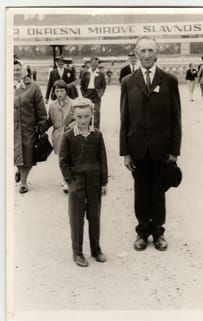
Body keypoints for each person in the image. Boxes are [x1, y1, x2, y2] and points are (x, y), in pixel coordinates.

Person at [120, 35, 182, 252]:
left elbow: (176, 118)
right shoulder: (128, 82)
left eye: (150, 50)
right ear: (137, 54)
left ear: (157, 53)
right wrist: (125, 152)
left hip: (161, 150)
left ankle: (158, 233)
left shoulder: (169, 80)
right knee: (141, 192)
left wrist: (174, 151)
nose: (147, 55)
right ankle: (142, 232)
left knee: (158, 191)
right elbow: (124, 118)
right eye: (143, 51)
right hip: (137, 149)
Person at [59, 97, 108, 267]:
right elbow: (63, 161)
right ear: (73, 115)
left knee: (94, 216)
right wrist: (70, 181)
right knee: (77, 218)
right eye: (79, 117)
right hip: (77, 182)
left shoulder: (97, 135)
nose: (83, 120)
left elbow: (103, 159)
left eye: (86, 116)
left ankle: (96, 249)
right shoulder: (68, 137)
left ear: (91, 115)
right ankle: (77, 253)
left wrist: (103, 182)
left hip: (94, 181)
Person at [14, 58, 47, 193]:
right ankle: (19, 169)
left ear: (24, 71)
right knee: (16, 153)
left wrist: (42, 124)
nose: (15, 72)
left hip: (28, 127)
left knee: (28, 154)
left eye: (18, 70)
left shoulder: (33, 87)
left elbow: (40, 108)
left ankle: (23, 182)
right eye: (13, 70)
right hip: (11, 128)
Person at [45, 80, 75, 193]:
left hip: (69, 134)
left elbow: (76, 119)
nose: (59, 93)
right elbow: (50, 120)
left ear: (66, 91)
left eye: (62, 90)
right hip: (57, 136)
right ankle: (65, 178)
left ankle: (68, 180)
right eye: (57, 91)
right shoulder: (52, 105)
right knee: (62, 159)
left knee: (70, 158)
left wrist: (70, 127)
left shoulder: (72, 103)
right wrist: (42, 127)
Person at [80, 56, 106, 129]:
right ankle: (88, 127)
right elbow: (81, 85)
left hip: (97, 93)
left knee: (97, 112)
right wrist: (83, 94)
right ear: (90, 63)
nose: (95, 65)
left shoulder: (101, 74)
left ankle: (96, 128)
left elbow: (104, 85)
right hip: (87, 93)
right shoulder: (85, 73)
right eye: (94, 63)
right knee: (88, 112)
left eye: (97, 64)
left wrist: (101, 94)